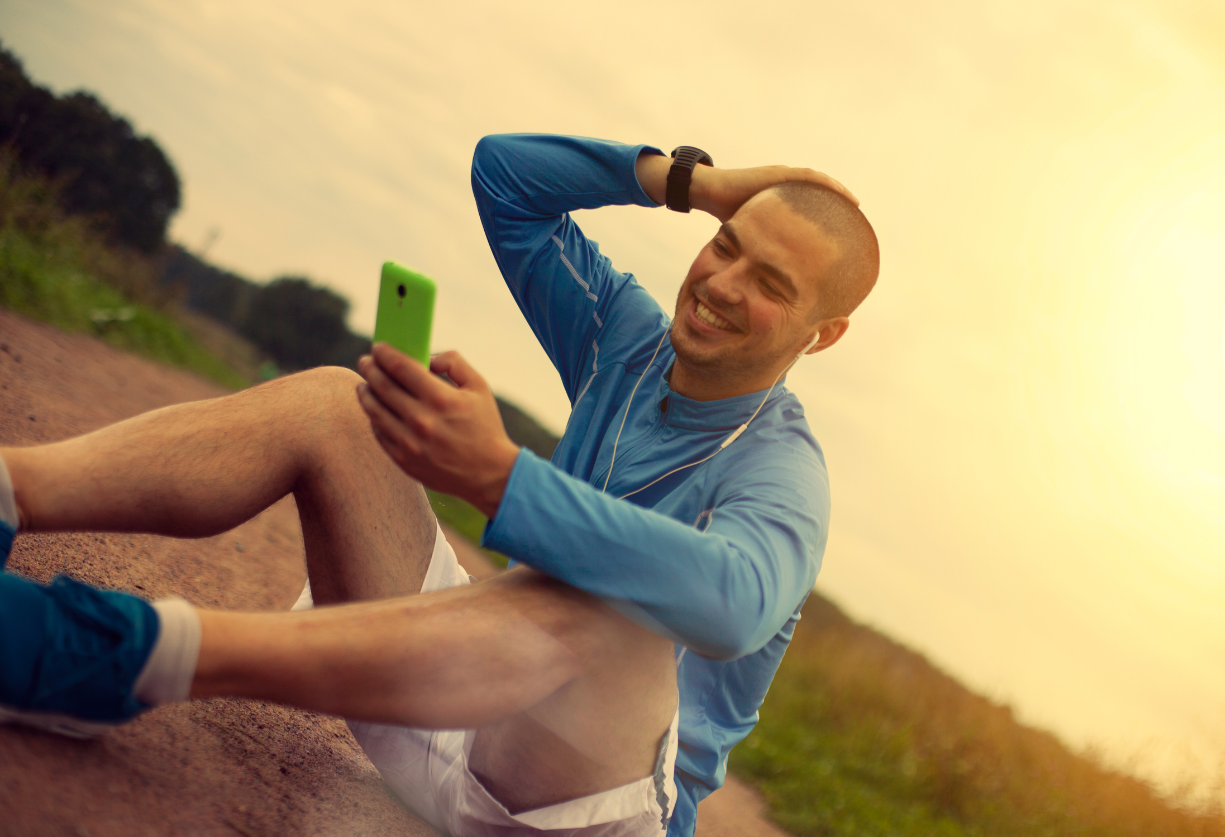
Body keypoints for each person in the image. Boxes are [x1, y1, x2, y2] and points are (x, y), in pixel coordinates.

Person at [0, 133, 878, 836]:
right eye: (726, 246)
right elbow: (505, 177)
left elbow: (732, 605)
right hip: (452, 716)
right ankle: (11, 489)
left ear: (823, 333)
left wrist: (502, 480)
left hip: (577, 807)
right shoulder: (630, 340)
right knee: (339, 404)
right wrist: (696, 184)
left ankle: (120, 654)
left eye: (769, 282)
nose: (721, 283)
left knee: (609, 609)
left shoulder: (786, 470)